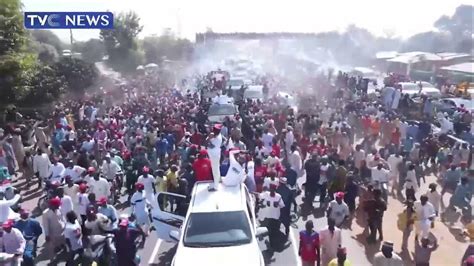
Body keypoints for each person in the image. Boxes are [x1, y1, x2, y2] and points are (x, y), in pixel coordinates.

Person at [259, 184, 285, 250]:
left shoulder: (276, 196)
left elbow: (282, 206)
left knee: (273, 231)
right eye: (271, 190)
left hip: (273, 217)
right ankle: (272, 245)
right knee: (272, 232)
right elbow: (282, 206)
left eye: (272, 190)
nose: (272, 191)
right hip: (271, 217)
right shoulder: (270, 195)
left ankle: (273, 244)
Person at [207, 124, 223, 189]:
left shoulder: (217, 139)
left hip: (214, 156)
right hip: (214, 155)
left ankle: (216, 186)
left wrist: (208, 139)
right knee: (216, 169)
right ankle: (218, 180)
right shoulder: (216, 136)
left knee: (215, 170)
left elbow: (210, 145)